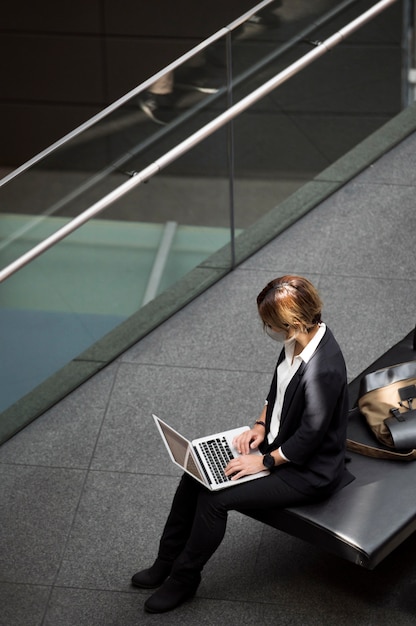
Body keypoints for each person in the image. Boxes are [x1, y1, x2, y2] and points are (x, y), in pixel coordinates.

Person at [131, 275, 354, 613]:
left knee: (214, 500)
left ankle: (184, 579)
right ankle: (166, 560)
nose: (269, 330)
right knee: (195, 470)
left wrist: (262, 463)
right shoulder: (299, 339)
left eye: (270, 325)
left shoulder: (323, 369)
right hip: (276, 446)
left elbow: (310, 437)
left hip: (306, 471)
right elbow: (277, 389)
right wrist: (261, 425)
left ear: (292, 323)